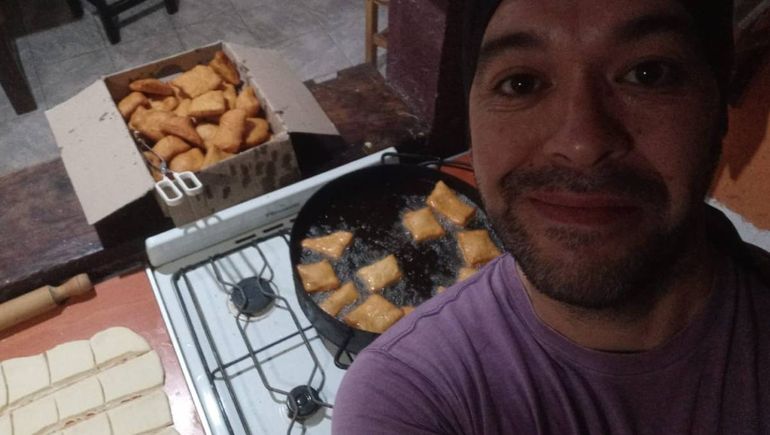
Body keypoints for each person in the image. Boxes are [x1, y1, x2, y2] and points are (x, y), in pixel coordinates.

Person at [333, 0, 770, 433]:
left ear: (718, 114)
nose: (581, 144)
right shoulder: (407, 395)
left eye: (648, 74)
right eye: (520, 84)